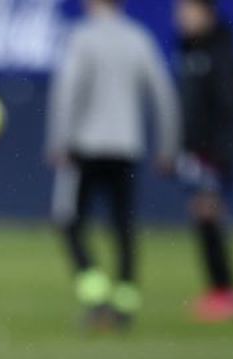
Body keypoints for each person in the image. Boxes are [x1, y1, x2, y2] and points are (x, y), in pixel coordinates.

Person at [46, 0, 179, 329]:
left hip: (86, 147)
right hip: (126, 148)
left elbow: (68, 91)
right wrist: (168, 145)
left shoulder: (83, 37)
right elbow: (163, 94)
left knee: (70, 222)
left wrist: (58, 140)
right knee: (124, 226)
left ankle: (96, 297)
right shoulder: (138, 38)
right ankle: (124, 302)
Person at [175, 0, 233, 323]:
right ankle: (219, 289)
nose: (182, 17)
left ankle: (226, 291)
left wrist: (218, 152)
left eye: (188, 11)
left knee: (210, 214)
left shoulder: (219, 53)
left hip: (214, 152)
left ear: (207, 14)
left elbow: (227, 108)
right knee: (201, 214)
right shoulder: (192, 51)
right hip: (198, 150)